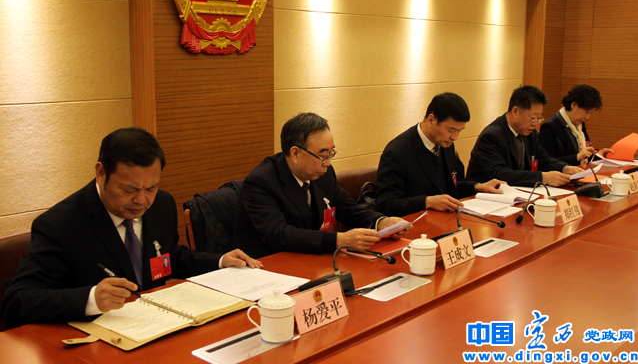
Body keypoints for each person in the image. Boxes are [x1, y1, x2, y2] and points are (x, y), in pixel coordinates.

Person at [0, 128, 261, 329]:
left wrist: (220, 261)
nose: (142, 200)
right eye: (129, 189)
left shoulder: (161, 204)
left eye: (151, 188)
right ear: (101, 173)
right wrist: (90, 298)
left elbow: (168, 257)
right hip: (93, 340)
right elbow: (16, 301)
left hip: (153, 327)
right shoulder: (60, 225)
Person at [233, 112, 409, 259]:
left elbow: (346, 207)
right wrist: (339, 240)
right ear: (295, 153)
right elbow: (278, 234)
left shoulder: (322, 173)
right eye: (323, 155)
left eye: (331, 153)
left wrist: (382, 222)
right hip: (268, 265)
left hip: (306, 257)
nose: (328, 163)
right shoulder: (261, 182)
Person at [375, 93, 504, 217]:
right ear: (431, 120)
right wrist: (427, 202)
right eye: (451, 130)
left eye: (459, 131)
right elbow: (386, 205)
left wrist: (478, 187)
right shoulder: (397, 152)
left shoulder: (445, 144)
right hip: (415, 226)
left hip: (445, 220)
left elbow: (450, 187)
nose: (455, 137)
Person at [466, 85, 582, 187]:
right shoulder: (492, 136)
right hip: (484, 197)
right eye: (533, 118)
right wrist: (543, 177)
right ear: (515, 111)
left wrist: (565, 168)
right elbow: (499, 173)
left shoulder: (530, 133)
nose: (535, 124)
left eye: (539, 118)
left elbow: (544, 160)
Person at [540, 84, 613, 166]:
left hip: (579, 170)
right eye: (587, 112)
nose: (587, 117)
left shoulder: (580, 124)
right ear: (574, 105)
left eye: (590, 113)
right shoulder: (550, 127)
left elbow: (585, 155)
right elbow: (546, 162)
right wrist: (576, 157)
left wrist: (598, 155)